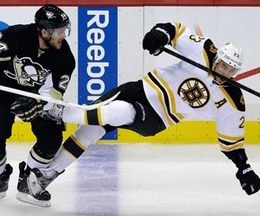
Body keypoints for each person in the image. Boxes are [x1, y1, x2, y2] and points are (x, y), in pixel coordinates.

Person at [25, 21, 260, 204]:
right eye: (222, 66)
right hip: (138, 89)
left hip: (157, 118)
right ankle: (47, 174)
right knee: (90, 128)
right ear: (217, 59)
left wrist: (244, 168)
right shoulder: (204, 49)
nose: (224, 72)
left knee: (118, 111)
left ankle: (55, 111)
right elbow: (174, 30)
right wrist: (159, 36)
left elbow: (232, 141)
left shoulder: (233, 100)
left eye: (230, 70)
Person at [0, 4, 75, 207]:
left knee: (52, 138)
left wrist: (38, 102)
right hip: (2, 92)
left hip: (36, 98)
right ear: (44, 31)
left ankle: (29, 181)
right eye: (59, 31)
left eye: (65, 30)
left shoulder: (64, 58)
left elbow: (54, 94)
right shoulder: (18, 35)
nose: (63, 36)